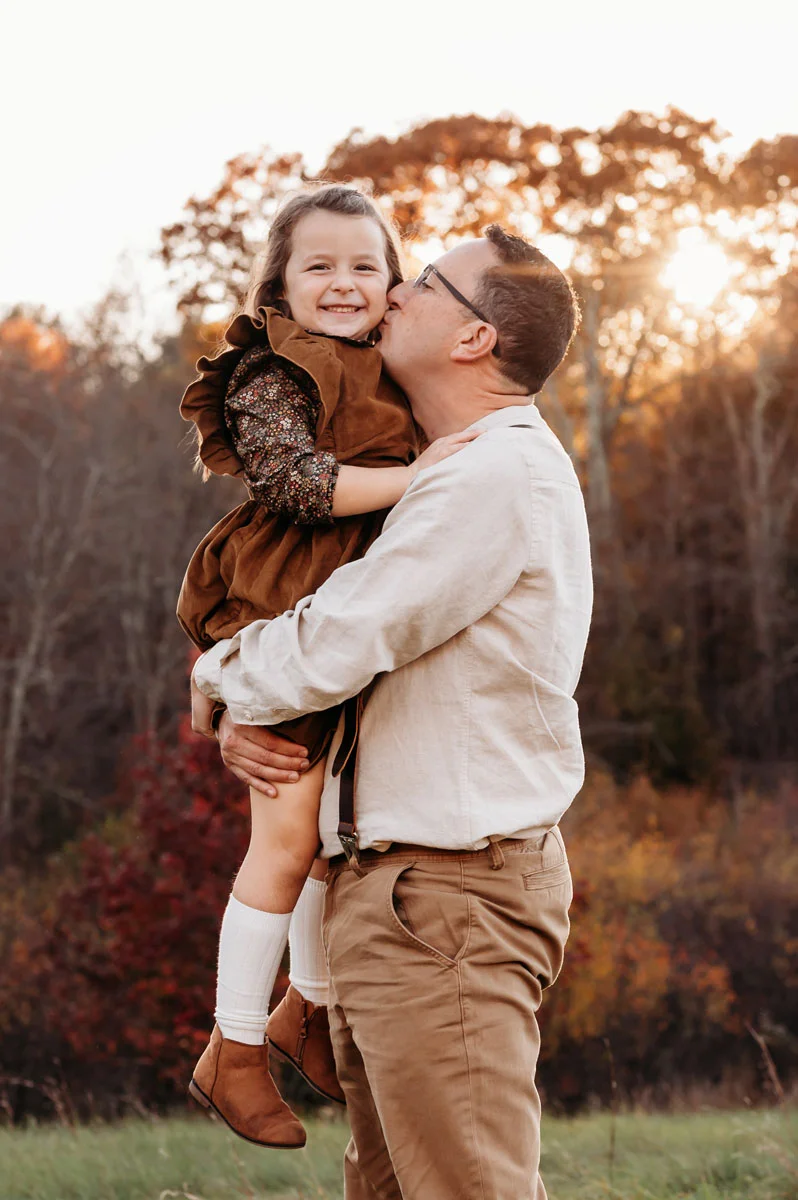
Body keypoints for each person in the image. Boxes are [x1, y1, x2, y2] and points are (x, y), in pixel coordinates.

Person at [193, 224, 592, 1199]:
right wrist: (247, 695)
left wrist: (217, 678)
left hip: (447, 900)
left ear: (472, 341)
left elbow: (345, 637)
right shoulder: (439, 469)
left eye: (424, 284)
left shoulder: (490, 474)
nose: (396, 292)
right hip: (395, 900)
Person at [177, 183, 480, 1149]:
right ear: (280, 281)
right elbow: (298, 485)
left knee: (324, 832)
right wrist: (429, 475)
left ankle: (304, 1007)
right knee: (286, 836)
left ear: (393, 282)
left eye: (365, 266)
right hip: (284, 598)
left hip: (347, 608)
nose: (344, 284)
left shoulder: (390, 364)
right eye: (320, 266)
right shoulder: (277, 371)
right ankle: (232, 1049)